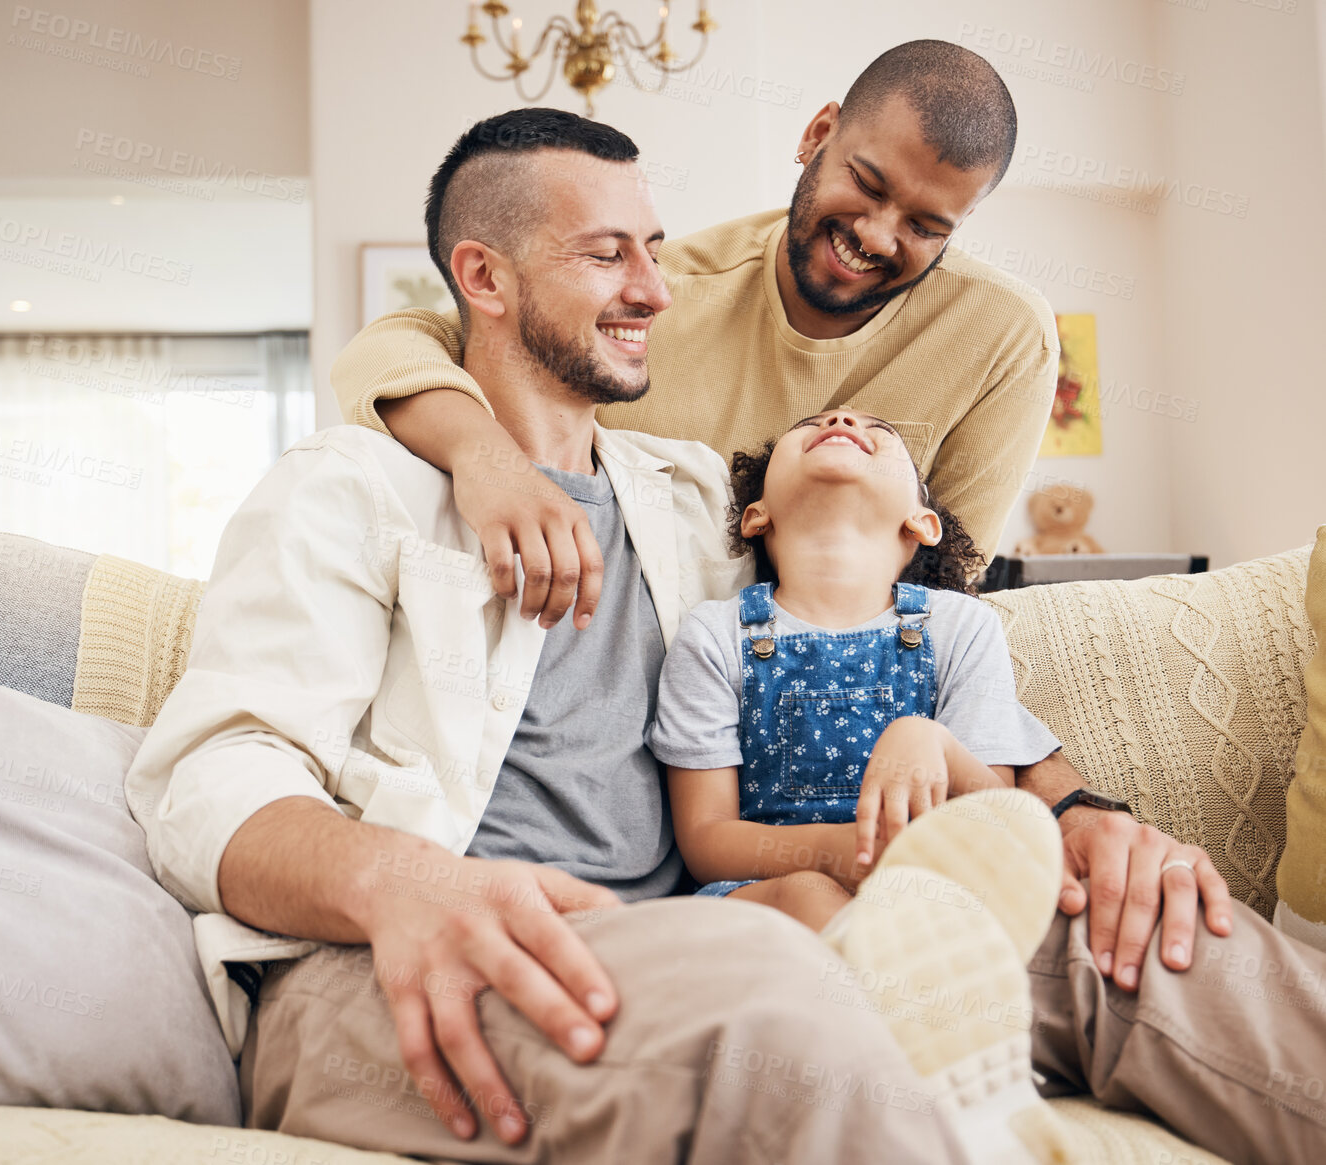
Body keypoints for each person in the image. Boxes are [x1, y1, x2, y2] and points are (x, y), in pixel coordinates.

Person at [128, 107, 1326, 1165]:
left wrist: (1080, 815)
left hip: (706, 928)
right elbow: (210, 778)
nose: (656, 287)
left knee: (1123, 939)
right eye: (608, 254)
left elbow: (881, 630)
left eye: (654, 248)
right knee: (781, 1004)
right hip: (399, 966)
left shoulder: (695, 495)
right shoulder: (347, 490)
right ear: (483, 280)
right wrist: (409, 884)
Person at [334, 37, 1237, 1011]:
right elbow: (397, 341)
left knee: (1161, 966)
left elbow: (939, 604)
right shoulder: (665, 295)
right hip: (735, 815)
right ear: (816, 137)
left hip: (912, 792)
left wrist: (1076, 805)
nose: (880, 235)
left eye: (928, 223)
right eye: (866, 183)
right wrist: (484, 456)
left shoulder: (1002, 336)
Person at [651, 410, 1060, 932]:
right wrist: (841, 854)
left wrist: (928, 740)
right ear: (756, 515)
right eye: (808, 424)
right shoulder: (713, 636)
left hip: (922, 888)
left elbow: (992, 819)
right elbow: (706, 841)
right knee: (808, 893)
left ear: (921, 522)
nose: (842, 419)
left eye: (882, 432)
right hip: (756, 897)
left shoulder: (963, 627)